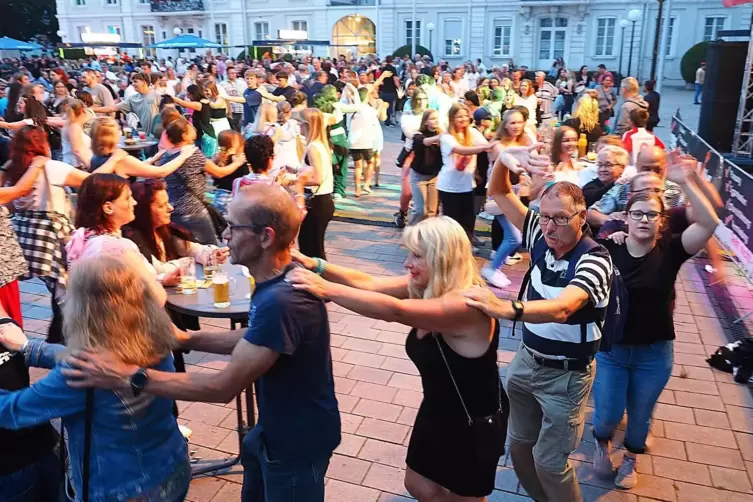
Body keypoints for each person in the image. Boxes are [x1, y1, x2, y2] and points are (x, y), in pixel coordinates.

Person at [61, 183, 340, 502]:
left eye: (233, 227)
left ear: (265, 237)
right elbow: (257, 338)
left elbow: (221, 387)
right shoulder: (275, 281)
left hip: (297, 442)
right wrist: (184, 338)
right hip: (274, 430)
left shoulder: (283, 300)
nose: (224, 235)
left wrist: (129, 376)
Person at [287, 216, 509, 501]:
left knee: (463, 498)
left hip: (473, 419)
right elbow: (370, 283)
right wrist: (316, 264)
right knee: (418, 483)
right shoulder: (431, 287)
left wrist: (325, 289)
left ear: (442, 258)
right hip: (438, 409)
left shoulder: (467, 305)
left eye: (417, 255)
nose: (407, 263)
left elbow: (396, 311)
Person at [466, 156, 614, 501]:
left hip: (567, 376)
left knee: (549, 462)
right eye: (545, 216)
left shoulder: (595, 259)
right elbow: (500, 191)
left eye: (561, 219)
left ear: (581, 217)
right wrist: (503, 159)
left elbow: (564, 308)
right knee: (518, 449)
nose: (549, 227)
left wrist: (506, 308)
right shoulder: (538, 231)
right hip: (527, 362)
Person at [0, 255, 190, 502]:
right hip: (172, 467)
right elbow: (90, 357)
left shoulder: (82, 375)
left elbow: (13, 411)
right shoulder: (151, 338)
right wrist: (29, 347)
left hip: (124, 490)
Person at [592, 157, 720, 489]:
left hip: (654, 353)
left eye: (653, 214)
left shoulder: (672, 249)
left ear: (662, 220)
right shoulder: (609, 247)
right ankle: (601, 442)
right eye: (638, 213)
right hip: (614, 350)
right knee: (606, 414)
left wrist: (688, 181)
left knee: (640, 418)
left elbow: (709, 223)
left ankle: (631, 460)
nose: (645, 219)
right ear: (627, 217)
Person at [161, 118, 246, 245]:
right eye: (190, 127)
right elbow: (219, 172)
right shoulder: (192, 153)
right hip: (194, 210)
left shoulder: (167, 155)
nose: (194, 128)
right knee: (210, 247)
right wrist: (238, 163)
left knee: (186, 248)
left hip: (174, 210)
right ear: (184, 135)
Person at [481, 109, 533, 289]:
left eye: (519, 122)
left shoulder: (523, 141)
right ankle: (492, 268)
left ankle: (495, 268)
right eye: (512, 123)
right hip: (500, 195)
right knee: (514, 238)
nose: (517, 126)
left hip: (513, 194)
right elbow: (506, 159)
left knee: (513, 236)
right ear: (505, 124)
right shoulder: (499, 145)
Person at [437, 103, 493, 241]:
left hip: (467, 185)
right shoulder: (446, 137)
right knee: (451, 221)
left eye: (465, 116)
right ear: (452, 118)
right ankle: (451, 246)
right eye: (459, 116)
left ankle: (466, 244)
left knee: (468, 218)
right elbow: (461, 150)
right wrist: (483, 148)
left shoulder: (472, 133)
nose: (463, 119)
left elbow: (487, 146)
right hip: (449, 187)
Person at [297, 108, 335, 259]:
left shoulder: (313, 148)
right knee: (310, 245)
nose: (298, 125)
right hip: (322, 201)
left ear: (307, 125)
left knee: (311, 247)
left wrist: (295, 180)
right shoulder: (319, 144)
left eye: (300, 122)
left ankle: (320, 278)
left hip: (317, 202)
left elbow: (317, 179)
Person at [95, 74, 160, 137]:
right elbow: (113, 108)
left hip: (157, 135)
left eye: (135, 81)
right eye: (133, 81)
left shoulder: (157, 95)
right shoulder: (133, 99)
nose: (133, 84)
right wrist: (92, 109)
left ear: (144, 82)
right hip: (145, 136)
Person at [408, 109, 443, 224]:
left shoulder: (441, 135)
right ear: (425, 122)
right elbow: (425, 142)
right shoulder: (418, 136)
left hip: (434, 177)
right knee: (420, 210)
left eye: (437, 118)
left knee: (432, 212)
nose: (436, 121)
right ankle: (411, 232)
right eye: (432, 118)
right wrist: (440, 138)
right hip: (419, 177)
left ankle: (427, 235)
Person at [212, 129, 248, 214]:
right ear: (234, 143)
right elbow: (245, 178)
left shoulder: (218, 158)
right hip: (231, 199)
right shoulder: (237, 161)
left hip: (218, 197)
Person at [61, 99, 92, 170]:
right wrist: (90, 166)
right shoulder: (74, 127)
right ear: (83, 110)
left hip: (76, 164)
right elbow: (77, 151)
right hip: (78, 166)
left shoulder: (71, 125)